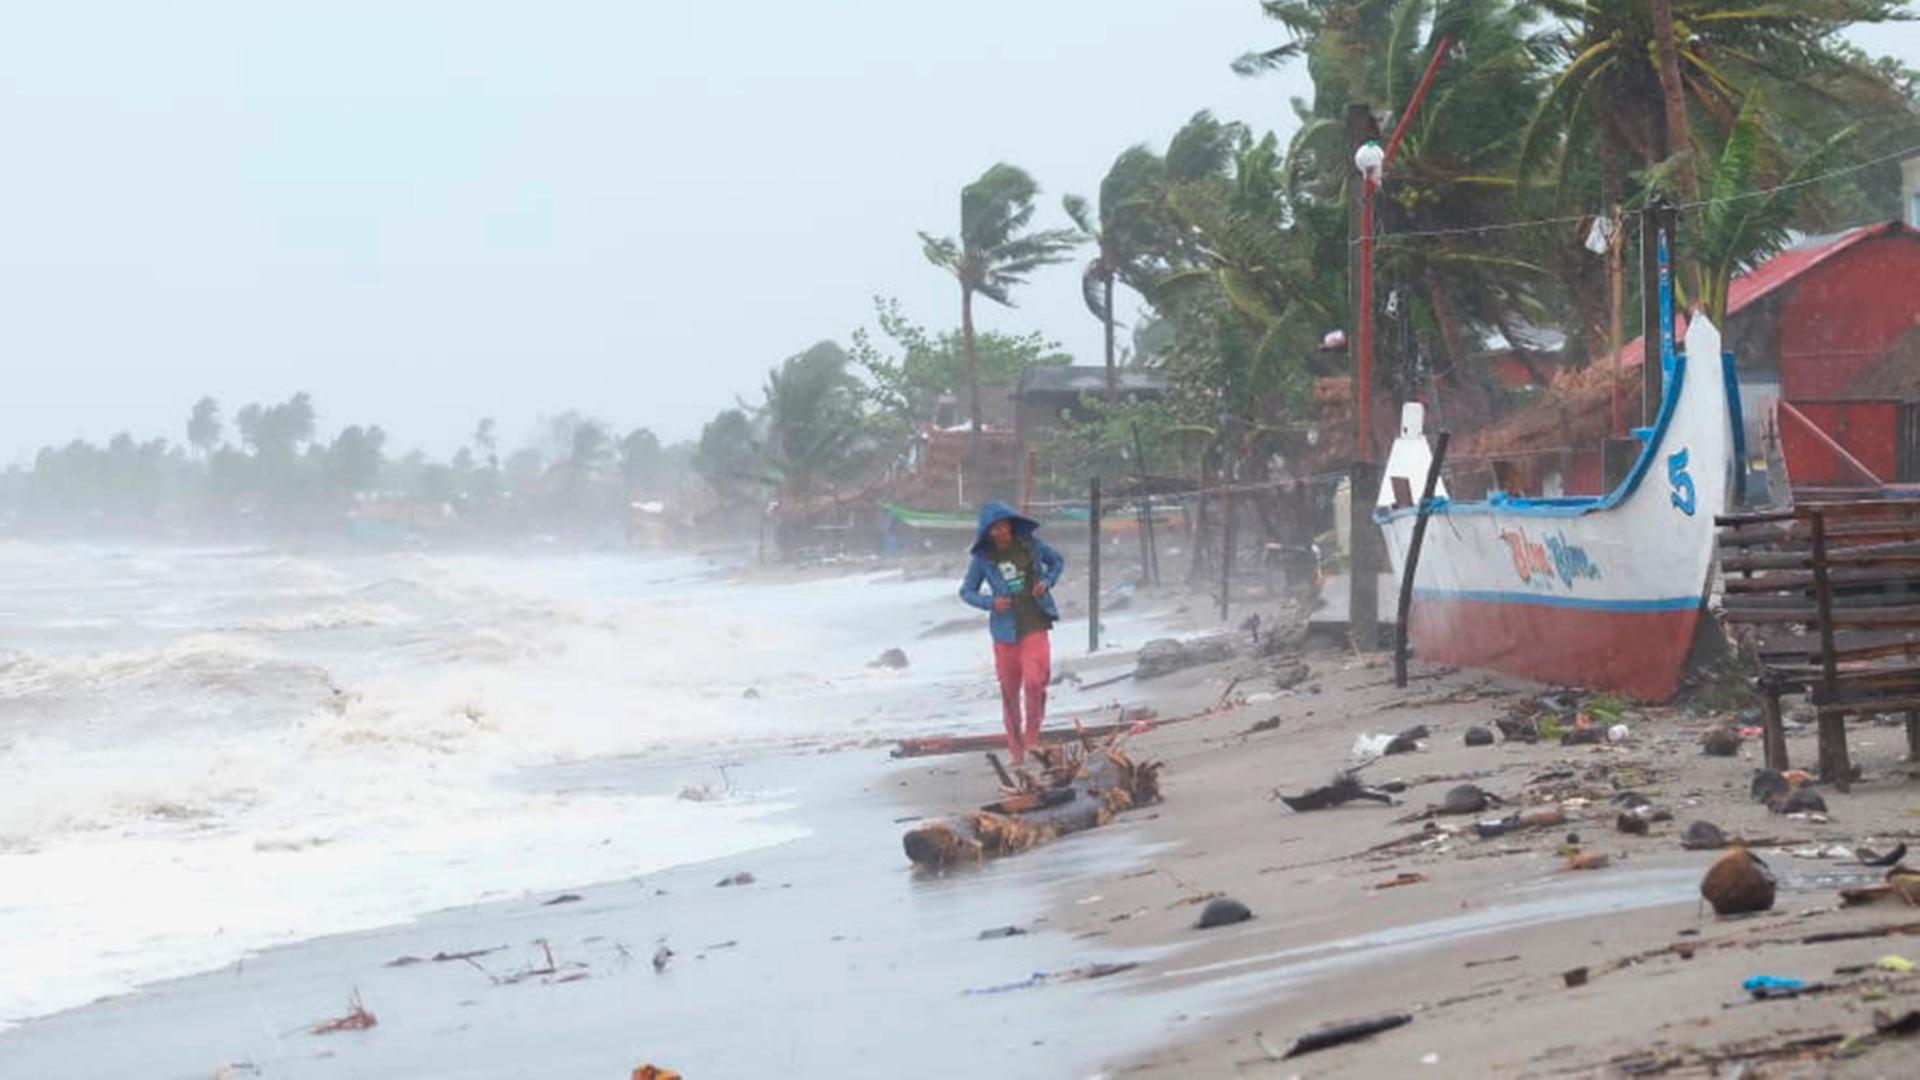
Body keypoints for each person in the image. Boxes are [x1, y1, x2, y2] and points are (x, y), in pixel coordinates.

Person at [958, 500, 1065, 764]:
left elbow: (1057, 562)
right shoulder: (983, 559)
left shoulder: (1031, 544)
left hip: (1035, 624)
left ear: (1010, 525)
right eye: (994, 530)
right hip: (1005, 632)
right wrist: (991, 603)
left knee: (1034, 681)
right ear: (988, 533)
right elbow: (966, 592)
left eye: (1004, 527)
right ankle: (1016, 752)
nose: (1001, 533)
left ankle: (1032, 739)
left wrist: (1046, 582)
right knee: (1009, 693)